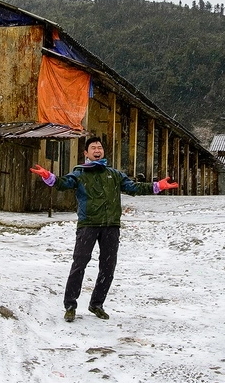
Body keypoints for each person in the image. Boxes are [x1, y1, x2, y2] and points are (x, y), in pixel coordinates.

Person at [30, 136, 178, 322]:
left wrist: (157, 186)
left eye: (99, 147)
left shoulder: (114, 174)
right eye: (93, 148)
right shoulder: (80, 173)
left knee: (108, 268)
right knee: (79, 265)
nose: (97, 150)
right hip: (88, 225)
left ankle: (97, 304)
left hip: (111, 226)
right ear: (86, 153)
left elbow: (134, 188)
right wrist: (48, 176)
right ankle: (70, 305)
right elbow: (62, 183)